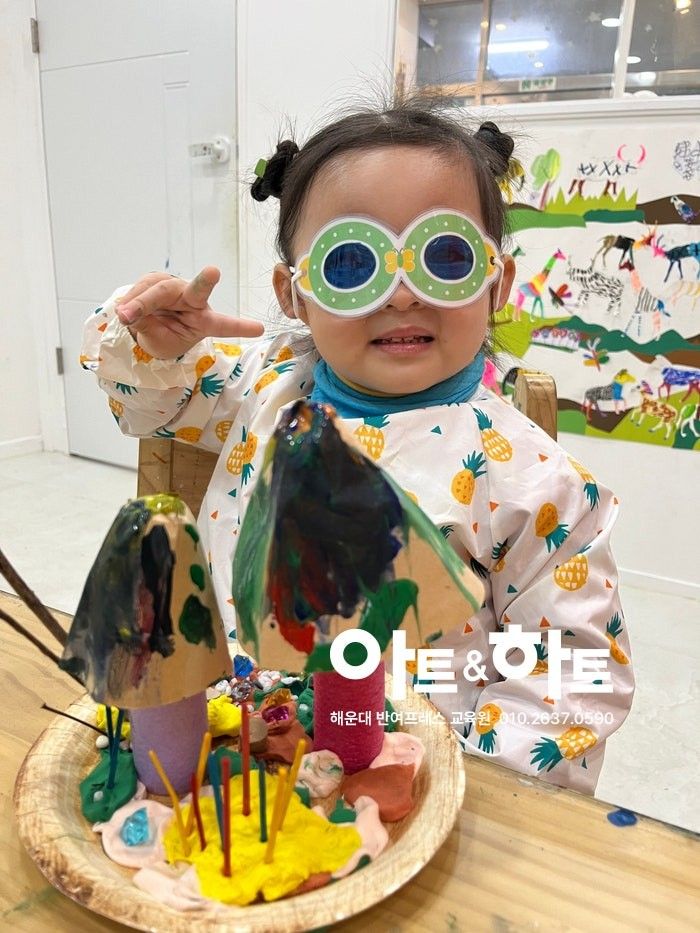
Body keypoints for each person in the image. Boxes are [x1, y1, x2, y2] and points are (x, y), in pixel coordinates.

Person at [81, 96, 634, 793]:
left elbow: (573, 678)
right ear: (295, 295)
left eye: (445, 257)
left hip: (403, 781)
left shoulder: (538, 481)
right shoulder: (263, 382)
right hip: (228, 759)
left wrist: (454, 786)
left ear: (497, 284)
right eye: (351, 264)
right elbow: (148, 400)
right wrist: (147, 340)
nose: (401, 296)